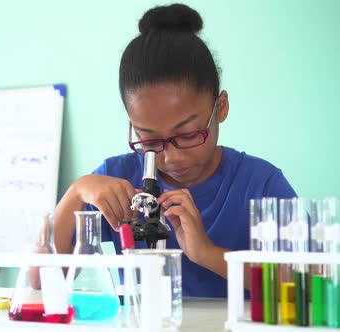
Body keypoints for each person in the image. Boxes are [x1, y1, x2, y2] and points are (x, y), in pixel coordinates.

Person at [53, 3, 296, 298]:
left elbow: (304, 289)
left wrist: (206, 252)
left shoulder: (261, 185)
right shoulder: (116, 179)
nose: (172, 157)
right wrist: (77, 191)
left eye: (189, 135)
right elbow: (43, 283)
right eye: (150, 141)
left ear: (221, 108)